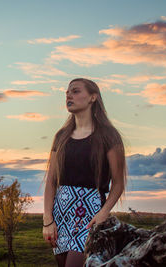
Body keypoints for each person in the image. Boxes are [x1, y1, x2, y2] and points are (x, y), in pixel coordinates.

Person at [42, 78, 128, 267]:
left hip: (90, 214)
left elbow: (118, 183)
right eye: (67, 92)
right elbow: (51, 182)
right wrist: (48, 220)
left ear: (92, 97)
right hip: (61, 214)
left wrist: (103, 213)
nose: (68, 95)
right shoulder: (61, 136)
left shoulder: (108, 136)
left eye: (75, 91)